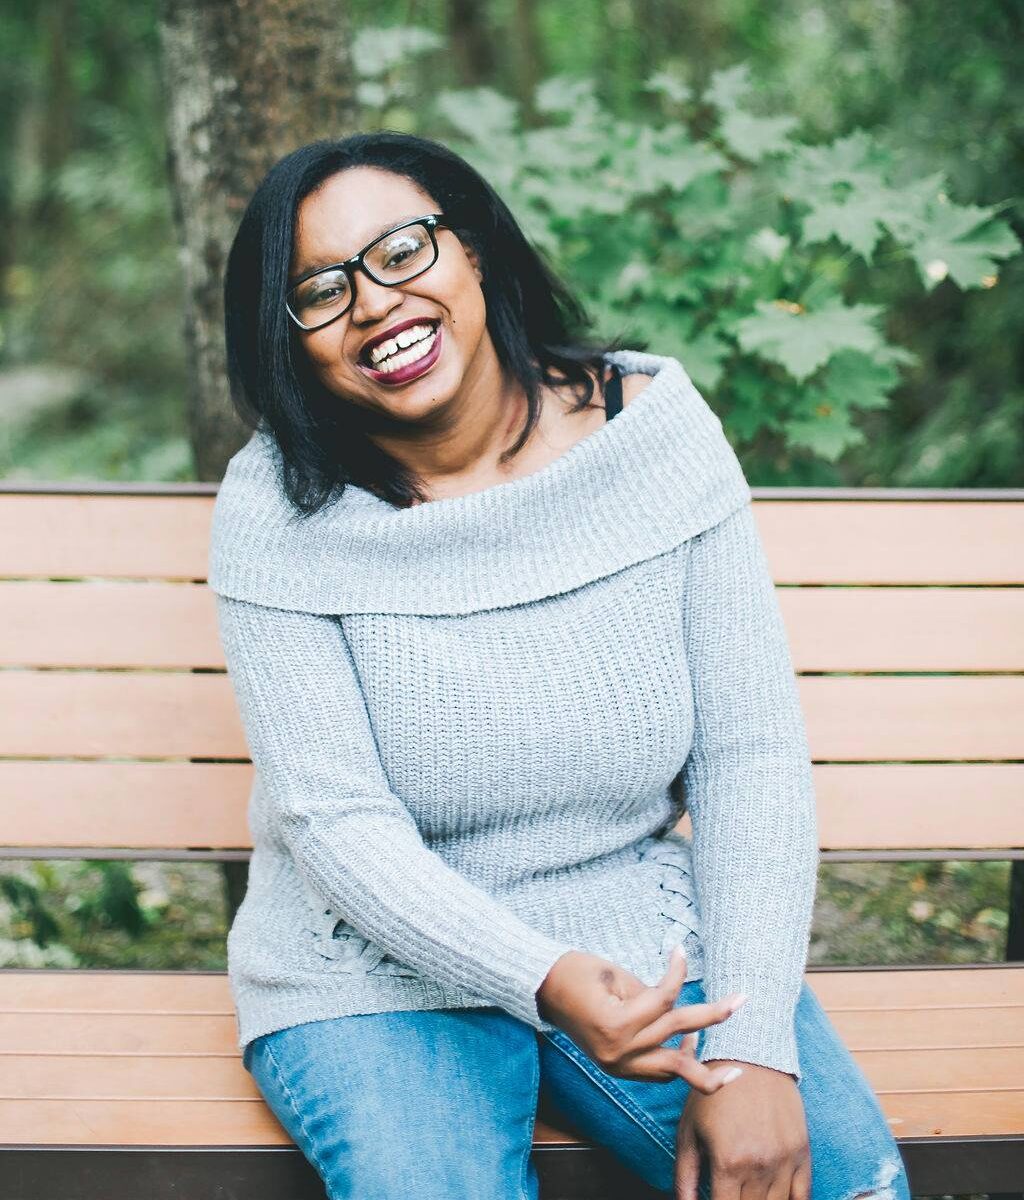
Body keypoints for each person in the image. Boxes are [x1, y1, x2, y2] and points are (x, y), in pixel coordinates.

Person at [208, 130, 911, 1200]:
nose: (374, 304)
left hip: (633, 923)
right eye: (320, 290)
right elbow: (330, 820)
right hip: (369, 964)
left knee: (841, 1182)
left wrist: (755, 1046)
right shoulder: (276, 508)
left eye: (401, 253)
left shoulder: (653, 434)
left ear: (475, 248)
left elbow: (748, 754)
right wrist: (537, 976)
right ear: (290, 336)